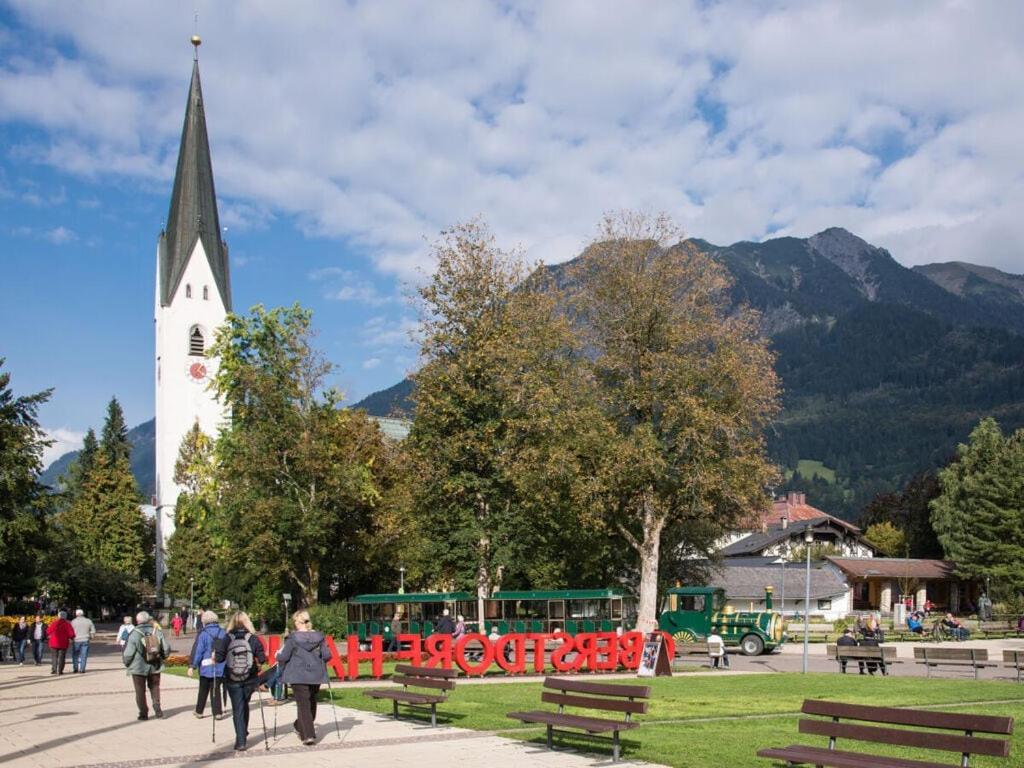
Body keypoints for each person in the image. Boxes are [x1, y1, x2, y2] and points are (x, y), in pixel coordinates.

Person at [276, 609, 331, 746]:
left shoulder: (293, 638)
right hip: (316, 674)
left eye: (294, 620)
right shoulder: (319, 637)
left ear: (297, 621)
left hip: (298, 674)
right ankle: (301, 727)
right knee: (311, 702)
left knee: (303, 704)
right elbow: (327, 656)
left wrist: (277, 654)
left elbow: (284, 656)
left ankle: (308, 735)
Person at [215, 612, 267, 751]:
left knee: (238, 707)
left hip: (232, 678)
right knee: (244, 704)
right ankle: (243, 731)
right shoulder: (253, 638)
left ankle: (241, 740)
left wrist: (217, 654)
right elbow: (262, 659)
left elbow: (219, 659)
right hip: (250, 678)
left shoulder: (227, 638)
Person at [123, 610, 169, 720]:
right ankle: (157, 709)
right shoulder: (156, 631)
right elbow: (166, 648)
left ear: (137, 621)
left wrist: (127, 663)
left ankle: (143, 713)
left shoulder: (134, 633)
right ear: (148, 620)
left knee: (140, 690)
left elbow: (128, 653)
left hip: (138, 667)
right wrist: (163, 657)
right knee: (155, 687)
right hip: (155, 665)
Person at [188, 610, 227, 719]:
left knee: (203, 690)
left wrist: (193, 666)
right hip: (220, 666)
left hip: (206, 667)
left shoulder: (203, 634)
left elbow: (199, 651)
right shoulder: (223, 632)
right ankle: (217, 712)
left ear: (205, 621)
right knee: (216, 689)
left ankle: (199, 711)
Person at [46, 610, 75, 675]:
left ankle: (54, 670)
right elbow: (71, 634)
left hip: (53, 642)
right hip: (63, 643)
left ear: (58, 616)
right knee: (62, 657)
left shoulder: (54, 623)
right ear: (65, 617)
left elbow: (48, 631)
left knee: (54, 656)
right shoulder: (67, 624)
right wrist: (72, 638)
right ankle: (60, 670)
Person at [70, 608, 96, 673]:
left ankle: (75, 668)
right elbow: (93, 630)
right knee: (83, 655)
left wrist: (71, 638)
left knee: (75, 655)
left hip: (76, 640)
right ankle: (82, 669)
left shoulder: (73, 621)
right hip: (85, 639)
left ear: (76, 614)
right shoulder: (88, 621)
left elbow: (70, 631)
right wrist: (91, 637)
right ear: (83, 614)